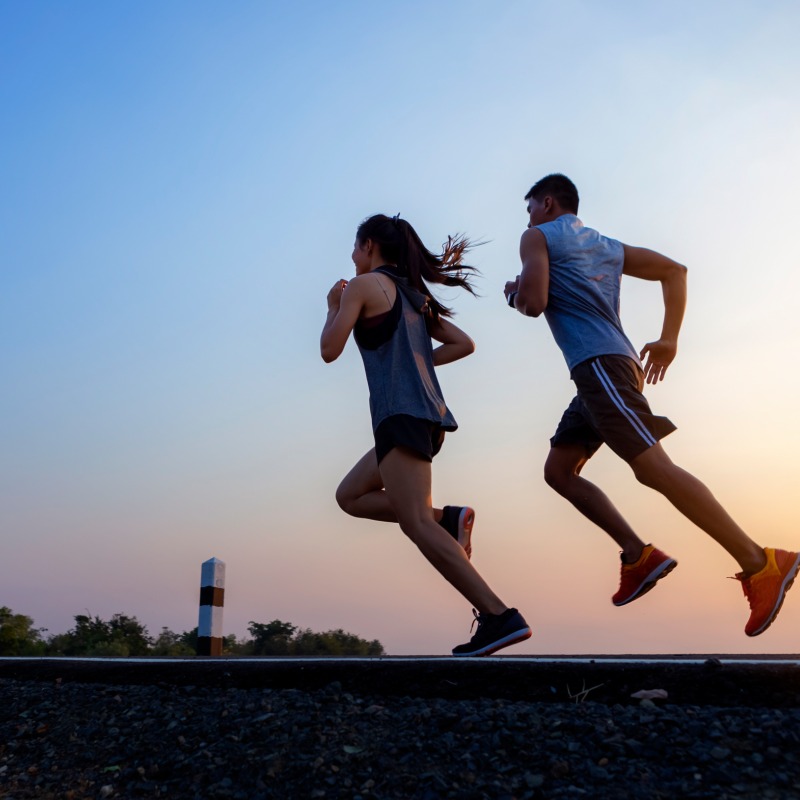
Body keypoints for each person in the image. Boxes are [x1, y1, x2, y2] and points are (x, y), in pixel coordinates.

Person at [504, 173, 799, 636]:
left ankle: (761, 562)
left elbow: (535, 302)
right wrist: (668, 340)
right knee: (558, 471)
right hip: (605, 370)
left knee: (653, 468)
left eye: (529, 209)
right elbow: (674, 271)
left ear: (546, 202)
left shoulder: (535, 237)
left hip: (600, 367)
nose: (527, 218)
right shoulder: (604, 245)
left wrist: (515, 294)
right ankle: (638, 555)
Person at [321, 213, 531, 656]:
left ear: (371, 246)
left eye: (356, 247)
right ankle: (448, 521)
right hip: (425, 417)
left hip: (401, 416)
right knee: (350, 497)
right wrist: (415, 360)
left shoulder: (363, 288)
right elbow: (462, 343)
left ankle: (499, 617)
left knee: (413, 523)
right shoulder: (414, 296)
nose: (352, 256)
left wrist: (332, 308)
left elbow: (328, 349)